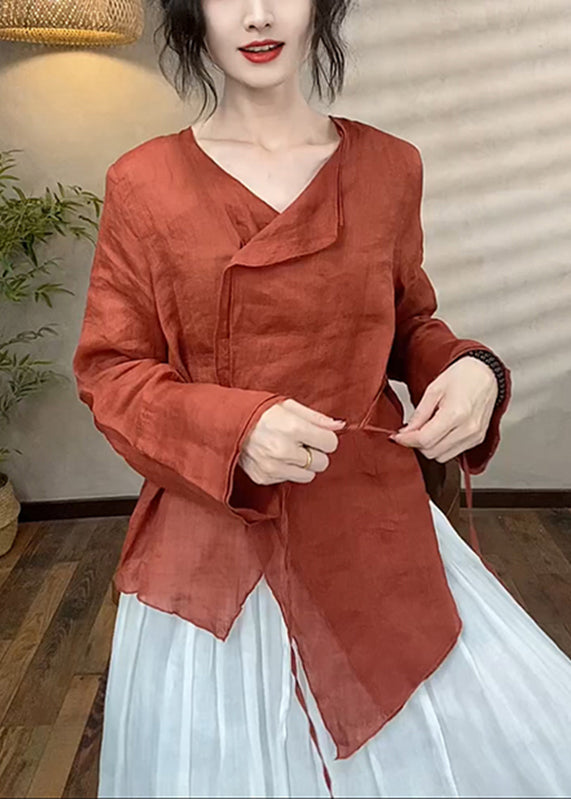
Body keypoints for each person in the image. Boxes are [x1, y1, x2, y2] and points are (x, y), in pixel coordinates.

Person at [72, 1, 571, 796]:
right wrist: (236, 428)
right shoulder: (144, 182)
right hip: (215, 543)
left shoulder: (389, 168)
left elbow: (407, 323)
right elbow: (112, 370)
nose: (258, 14)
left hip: (370, 524)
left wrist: (473, 368)